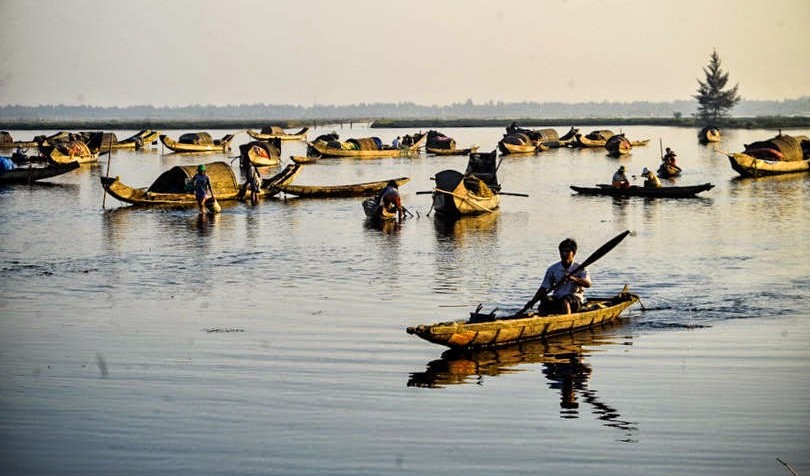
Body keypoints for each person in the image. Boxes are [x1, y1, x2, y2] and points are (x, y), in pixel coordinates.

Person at [520, 238, 592, 315]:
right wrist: (532, 301)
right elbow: (543, 288)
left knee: (565, 301)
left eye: (567, 251)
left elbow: (588, 284)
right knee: (545, 300)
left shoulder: (580, 268)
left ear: (573, 253)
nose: (564, 254)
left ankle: (567, 321)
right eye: (562, 251)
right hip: (557, 297)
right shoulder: (553, 269)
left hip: (574, 298)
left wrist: (573, 278)